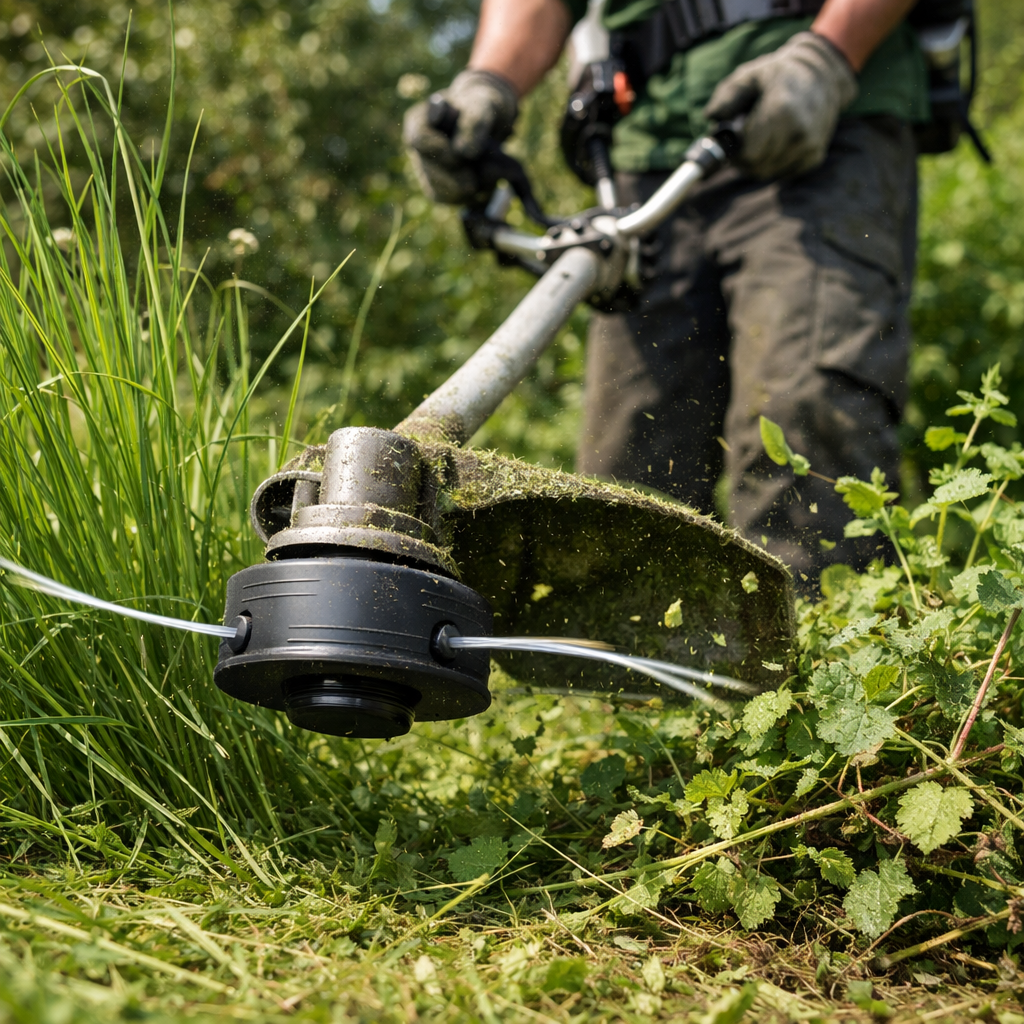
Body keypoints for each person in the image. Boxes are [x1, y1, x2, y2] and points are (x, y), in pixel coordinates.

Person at [404, 0, 930, 579]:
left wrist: (827, 56)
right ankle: (625, 665)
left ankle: (834, 656)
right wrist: (489, 83)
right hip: (641, 155)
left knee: (801, 417)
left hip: (821, 122)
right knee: (625, 476)